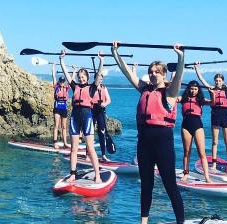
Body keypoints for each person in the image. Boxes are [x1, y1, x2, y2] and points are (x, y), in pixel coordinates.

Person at [112, 42, 185, 224]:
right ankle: (143, 221)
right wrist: (115, 53)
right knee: (146, 185)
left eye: (157, 72)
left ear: (163, 75)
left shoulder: (169, 93)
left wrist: (181, 57)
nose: (153, 74)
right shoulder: (144, 89)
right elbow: (127, 73)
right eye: (151, 71)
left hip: (163, 143)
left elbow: (179, 77)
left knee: (170, 185)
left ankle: (180, 221)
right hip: (144, 142)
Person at [59, 50, 102, 183]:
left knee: (90, 148)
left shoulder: (92, 87)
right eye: (79, 77)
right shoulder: (75, 87)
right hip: (74, 118)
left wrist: (101, 60)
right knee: (74, 148)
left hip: (87, 117)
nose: (81, 79)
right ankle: (72, 173)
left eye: (83, 77)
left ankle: (97, 175)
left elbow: (99, 74)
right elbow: (66, 74)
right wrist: (62, 60)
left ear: (87, 78)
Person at [194, 59, 227, 174]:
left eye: (219, 81)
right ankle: (214, 164)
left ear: (222, 82)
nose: (217, 82)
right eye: (216, 81)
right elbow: (202, 79)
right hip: (215, 116)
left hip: (225, 116)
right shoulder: (211, 89)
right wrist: (197, 68)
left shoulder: (226, 88)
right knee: (215, 142)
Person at [178, 81, 213, 183]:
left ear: (198, 90)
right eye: (191, 89)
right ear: (188, 89)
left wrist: (212, 93)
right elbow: (173, 99)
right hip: (185, 126)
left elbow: (212, 102)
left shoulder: (201, 100)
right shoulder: (183, 99)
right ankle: (185, 174)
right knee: (186, 152)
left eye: (195, 89)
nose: (193, 91)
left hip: (198, 126)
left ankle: (207, 176)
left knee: (201, 152)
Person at [91, 59, 112, 161]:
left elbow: (109, 100)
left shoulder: (104, 87)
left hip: (101, 111)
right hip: (92, 110)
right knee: (90, 132)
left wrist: (105, 103)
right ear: (96, 79)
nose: (101, 81)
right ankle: (88, 154)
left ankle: (103, 155)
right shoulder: (92, 88)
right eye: (99, 79)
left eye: (102, 79)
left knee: (102, 132)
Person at [51, 60, 70, 148]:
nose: (62, 82)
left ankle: (65, 143)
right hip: (57, 109)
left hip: (64, 109)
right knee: (56, 125)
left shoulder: (66, 88)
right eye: (61, 81)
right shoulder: (56, 87)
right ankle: (55, 142)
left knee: (64, 127)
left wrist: (73, 71)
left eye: (63, 81)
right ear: (59, 81)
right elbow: (53, 76)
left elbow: (71, 79)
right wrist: (53, 66)